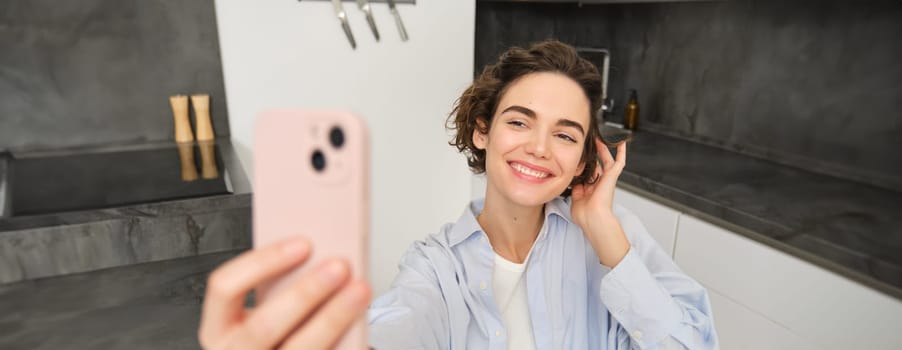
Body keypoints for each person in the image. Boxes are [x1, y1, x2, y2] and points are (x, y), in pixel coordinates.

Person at [198, 40, 718, 350]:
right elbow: (397, 328)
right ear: (481, 131)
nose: (539, 148)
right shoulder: (435, 268)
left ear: (585, 157)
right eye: (520, 122)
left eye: (564, 134)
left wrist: (604, 229)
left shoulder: (615, 238)